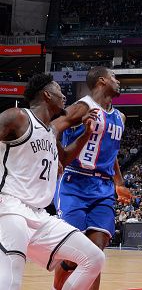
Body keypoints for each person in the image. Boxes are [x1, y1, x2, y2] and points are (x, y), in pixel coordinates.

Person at [0, 73, 105, 290]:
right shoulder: (18, 117)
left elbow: (64, 159)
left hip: (40, 215)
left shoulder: (51, 131)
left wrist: (86, 134)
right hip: (11, 208)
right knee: (11, 278)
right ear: (47, 95)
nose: (64, 96)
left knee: (94, 258)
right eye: (59, 90)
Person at [53, 67, 133, 290]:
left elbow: (112, 152)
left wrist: (119, 182)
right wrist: (57, 157)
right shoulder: (82, 107)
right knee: (72, 255)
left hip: (103, 188)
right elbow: (51, 128)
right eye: (114, 77)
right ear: (101, 81)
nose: (118, 81)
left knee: (94, 254)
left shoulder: (120, 117)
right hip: (74, 184)